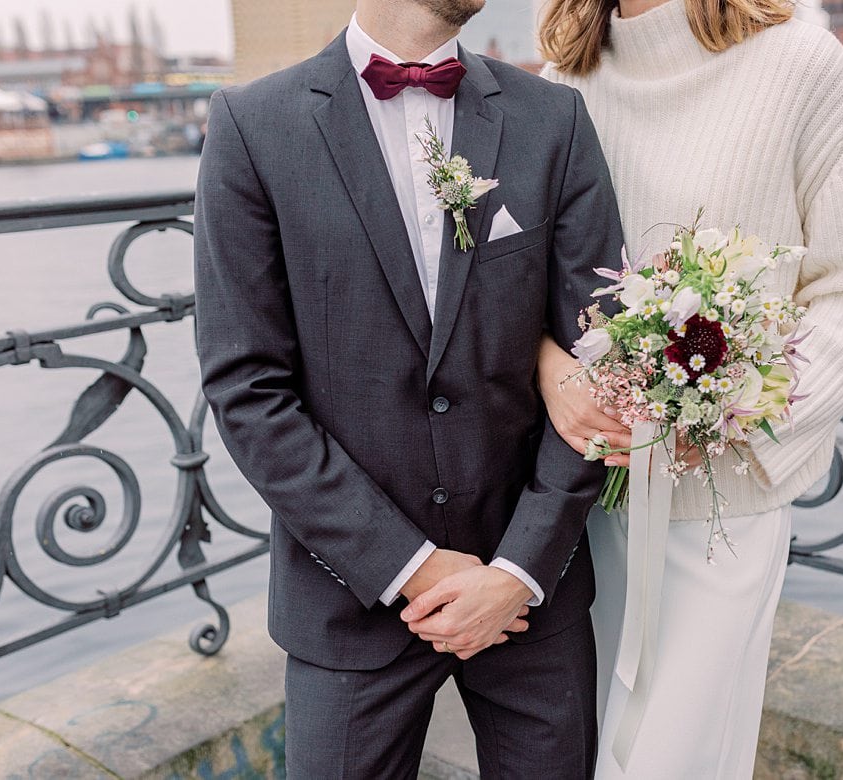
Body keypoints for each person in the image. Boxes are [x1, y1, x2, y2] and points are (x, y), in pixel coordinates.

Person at [193, 0, 624, 776]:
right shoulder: (253, 126)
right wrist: (411, 566)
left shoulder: (553, 119)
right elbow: (247, 387)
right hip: (349, 599)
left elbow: (602, 357)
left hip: (530, 594)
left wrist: (519, 571)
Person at [538, 0, 843, 776]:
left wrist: (728, 412)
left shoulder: (802, 66)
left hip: (720, 514)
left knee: (672, 761)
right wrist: (552, 370)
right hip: (575, 507)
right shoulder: (562, 81)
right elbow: (513, 288)